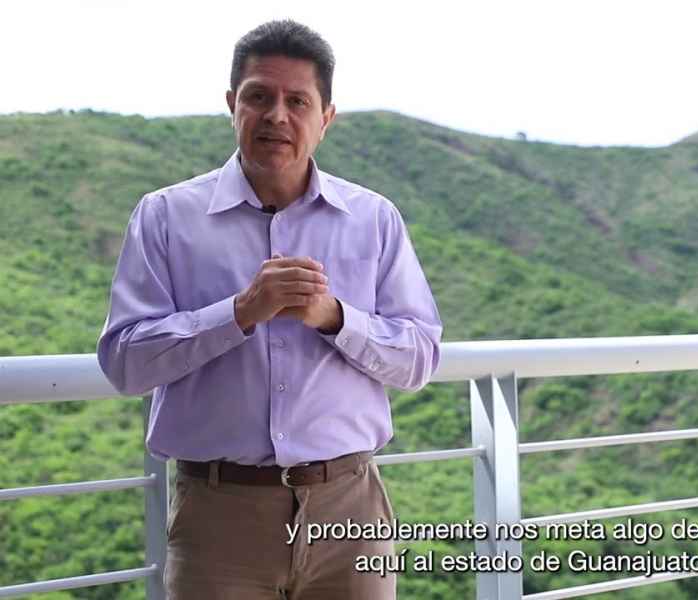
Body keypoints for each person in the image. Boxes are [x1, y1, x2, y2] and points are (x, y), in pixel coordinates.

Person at [96, 19, 442, 599]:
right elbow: (124, 363)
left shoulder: (374, 219)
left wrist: (336, 318)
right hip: (219, 516)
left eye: (297, 101)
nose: (276, 115)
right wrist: (239, 312)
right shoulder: (165, 216)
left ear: (326, 117)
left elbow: (421, 357)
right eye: (259, 96)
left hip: (349, 510)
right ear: (232, 104)